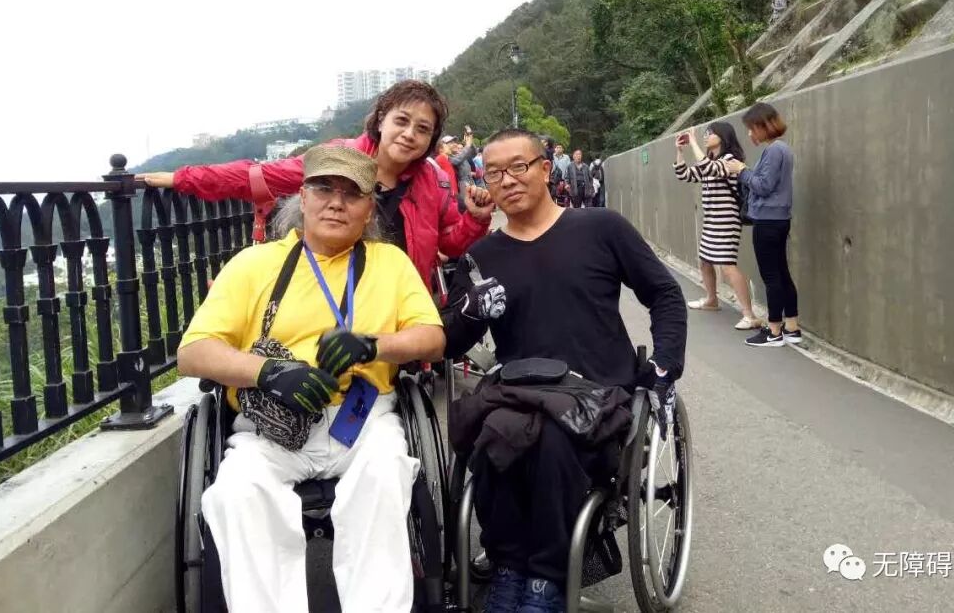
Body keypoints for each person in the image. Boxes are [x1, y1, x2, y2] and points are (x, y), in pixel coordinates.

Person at [178, 145, 445, 612]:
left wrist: (374, 345)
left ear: (369, 209)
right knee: (238, 492)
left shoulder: (389, 262)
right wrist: (267, 372)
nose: (336, 203)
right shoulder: (253, 264)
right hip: (273, 425)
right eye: (324, 189)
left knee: (385, 475)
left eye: (352, 194)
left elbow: (433, 339)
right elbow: (192, 352)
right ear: (302, 198)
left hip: (362, 419)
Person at [443, 128, 687, 612]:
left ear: (544, 169)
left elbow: (664, 293)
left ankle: (544, 581)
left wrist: (665, 364)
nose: (507, 180)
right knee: (491, 440)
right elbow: (453, 341)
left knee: (554, 442)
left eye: (518, 166)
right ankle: (509, 569)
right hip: (520, 394)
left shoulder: (601, 228)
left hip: (600, 395)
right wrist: (470, 310)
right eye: (494, 172)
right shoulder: (482, 258)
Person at [138, 80, 493, 290]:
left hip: (396, 304)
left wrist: (475, 219)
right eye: (402, 121)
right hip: (332, 296)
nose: (409, 134)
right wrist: (181, 178)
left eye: (423, 129)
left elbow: (448, 242)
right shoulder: (338, 159)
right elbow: (262, 176)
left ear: (431, 139)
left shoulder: (433, 181)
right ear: (381, 120)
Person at [725, 102, 800, 347]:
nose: (749, 134)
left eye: (751, 128)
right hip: (779, 219)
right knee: (781, 273)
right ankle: (792, 327)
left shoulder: (773, 151)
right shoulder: (782, 149)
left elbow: (763, 186)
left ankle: (774, 331)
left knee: (771, 276)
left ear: (762, 126)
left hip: (767, 220)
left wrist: (741, 170)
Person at [674, 123, 761, 330]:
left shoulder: (730, 160)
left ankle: (749, 315)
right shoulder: (710, 161)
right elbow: (685, 174)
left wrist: (693, 143)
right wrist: (680, 151)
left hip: (727, 220)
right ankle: (711, 299)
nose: (706, 136)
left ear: (723, 136)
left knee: (727, 265)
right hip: (712, 220)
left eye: (710, 133)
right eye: (704, 134)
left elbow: (710, 168)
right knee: (705, 261)